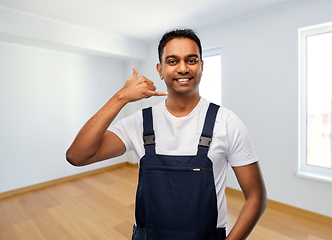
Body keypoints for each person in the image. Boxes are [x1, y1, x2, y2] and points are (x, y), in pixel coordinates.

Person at [66, 29, 267, 240]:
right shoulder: (140, 122)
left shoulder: (227, 123)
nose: (182, 68)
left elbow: (256, 197)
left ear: (201, 67)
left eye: (191, 60)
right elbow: (77, 156)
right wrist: (121, 97)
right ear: (160, 70)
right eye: (172, 61)